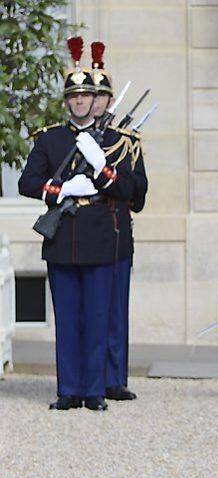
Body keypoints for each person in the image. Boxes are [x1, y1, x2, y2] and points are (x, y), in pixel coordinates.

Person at [18, 37, 137, 411]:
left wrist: (101, 170)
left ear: (94, 100)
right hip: (64, 236)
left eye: (86, 96)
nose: (81, 102)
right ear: (67, 101)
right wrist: (60, 189)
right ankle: (68, 389)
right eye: (74, 96)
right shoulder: (50, 139)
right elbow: (27, 182)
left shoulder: (113, 141)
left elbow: (133, 188)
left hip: (100, 235)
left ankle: (93, 390)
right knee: (68, 319)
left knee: (99, 316)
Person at [89, 42, 149, 403]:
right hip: (80, 227)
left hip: (113, 229)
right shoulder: (72, 137)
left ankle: (113, 377)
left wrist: (111, 178)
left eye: (101, 96)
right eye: (90, 95)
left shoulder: (126, 142)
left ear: (110, 101)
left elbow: (138, 190)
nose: (95, 102)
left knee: (114, 309)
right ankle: (87, 376)